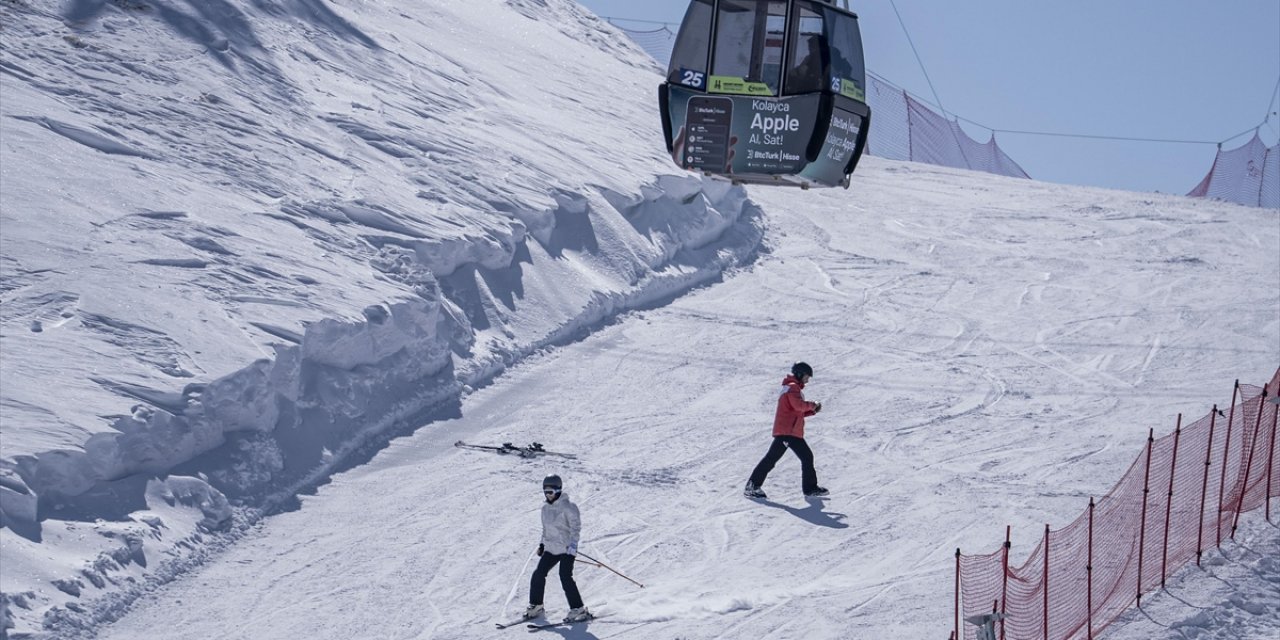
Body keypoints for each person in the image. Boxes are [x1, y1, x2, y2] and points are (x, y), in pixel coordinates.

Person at [744, 362, 828, 498]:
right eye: (807, 376)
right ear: (800, 374)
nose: (808, 380)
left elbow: (796, 411)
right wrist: (813, 405)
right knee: (774, 459)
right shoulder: (792, 387)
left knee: (804, 457)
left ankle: (810, 489)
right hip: (788, 433)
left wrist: (812, 411)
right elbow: (798, 406)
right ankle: (752, 486)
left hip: (791, 432)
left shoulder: (791, 388)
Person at [524, 474, 592, 623]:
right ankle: (537, 605)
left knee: (565, 576)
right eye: (545, 492)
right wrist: (542, 544)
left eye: (551, 492)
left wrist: (573, 547)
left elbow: (576, 528)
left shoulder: (569, 507)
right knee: (538, 574)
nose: (548, 495)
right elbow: (545, 529)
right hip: (551, 548)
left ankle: (578, 609)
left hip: (567, 549)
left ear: (558, 490)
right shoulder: (545, 509)